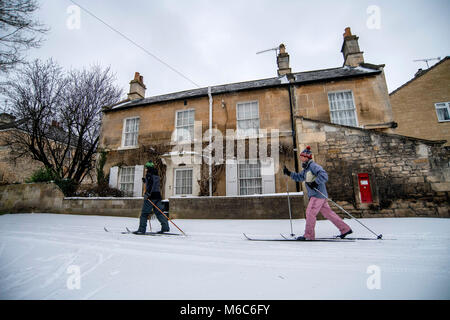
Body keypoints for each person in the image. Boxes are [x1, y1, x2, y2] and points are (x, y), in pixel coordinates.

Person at [283, 146, 352, 240]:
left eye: (302, 157)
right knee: (329, 214)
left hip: (317, 195)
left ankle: (309, 235)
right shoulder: (306, 169)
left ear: (307, 157)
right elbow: (300, 177)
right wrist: (289, 173)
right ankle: (345, 229)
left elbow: (324, 175)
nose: (300, 159)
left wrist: (315, 183)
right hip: (318, 195)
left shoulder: (313, 166)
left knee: (310, 213)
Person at [134, 161, 170, 234]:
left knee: (144, 214)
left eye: (146, 168)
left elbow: (151, 186)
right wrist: (146, 181)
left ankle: (141, 229)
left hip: (150, 197)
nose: (145, 169)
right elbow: (154, 183)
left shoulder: (149, 174)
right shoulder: (156, 174)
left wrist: (147, 194)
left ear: (148, 168)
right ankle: (165, 228)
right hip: (158, 196)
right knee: (159, 213)